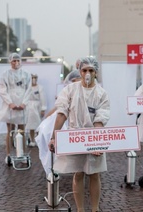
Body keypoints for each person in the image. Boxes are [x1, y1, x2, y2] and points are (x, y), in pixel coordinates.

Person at [48, 57, 110, 212]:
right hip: (74, 137)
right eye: (84, 70)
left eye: (91, 70)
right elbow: (61, 113)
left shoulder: (101, 93)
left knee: (94, 174)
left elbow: (100, 119)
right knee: (78, 173)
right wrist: (54, 137)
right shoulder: (70, 90)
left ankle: (95, 209)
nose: (87, 73)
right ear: (80, 72)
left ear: (96, 72)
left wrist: (95, 142)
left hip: (93, 136)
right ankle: (80, 209)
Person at [35, 70, 82, 176]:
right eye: (75, 80)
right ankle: (56, 166)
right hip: (63, 117)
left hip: (74, 119)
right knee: (50, 133)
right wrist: (46, 119)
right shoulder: (68, 90)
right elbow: (58, 109)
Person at [0, 53, 32, 166]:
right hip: (9, 106)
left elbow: (29, 89)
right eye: (14, 61)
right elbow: (2, 89)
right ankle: (8, 154)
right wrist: (10, 103)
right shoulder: (5, 74)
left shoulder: (26, 74)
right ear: (10, 62)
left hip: (22, 105)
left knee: (22, 131)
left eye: (18, 61)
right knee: (10, 131)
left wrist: (24, 103)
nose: (16, 63)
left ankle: (22, 153)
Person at [25, 74, 47, 147]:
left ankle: (39, 140)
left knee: (38, 125)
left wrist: (43, 109)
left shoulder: (40, 87)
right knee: (31, 125)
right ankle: (32, 140)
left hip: (37, 107)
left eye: (35, 78)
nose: (33, 79)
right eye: (32, 78)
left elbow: (43, 98)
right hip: (29, 107)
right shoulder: (28, 87)